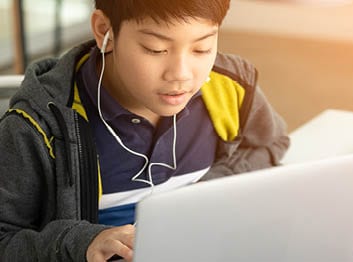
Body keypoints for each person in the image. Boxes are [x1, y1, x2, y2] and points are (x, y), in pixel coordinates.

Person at [0, 0, 290, 261]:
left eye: (201, 48)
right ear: (105, 31)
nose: (181, 74)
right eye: (156, 49)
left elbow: (270, 144)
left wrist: (208, 191)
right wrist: (83, 244)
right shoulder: (38, 127)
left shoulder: (230, 87)